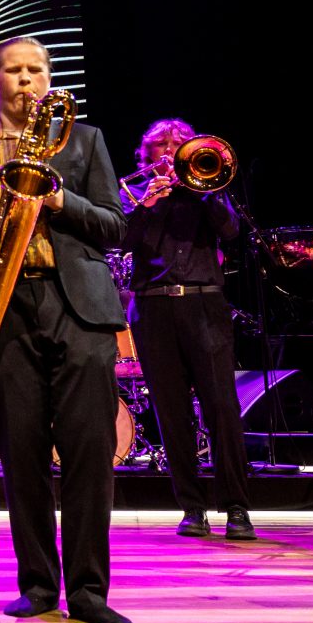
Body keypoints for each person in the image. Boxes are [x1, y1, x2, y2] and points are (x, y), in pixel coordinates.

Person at [0, 37, 133, 623]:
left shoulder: (85, 140)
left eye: (36, 70)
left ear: (49, 78)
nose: (25, 80)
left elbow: (114, 225)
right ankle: (38, 584)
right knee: (21, 453)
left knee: (89, 452)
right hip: (3, 309)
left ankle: (88, 592)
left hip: (78, 308)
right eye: (13, 71)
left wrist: (60, 200)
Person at [119, 119, 254, 541]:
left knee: (221, 408)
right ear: (147, 156)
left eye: (178, 146)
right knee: (172, 412)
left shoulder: (208, 188)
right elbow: (121, 240)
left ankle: (237, 508)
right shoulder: (135, 194)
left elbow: (230, 231)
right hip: (153, 307)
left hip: (204, 303)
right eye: (161, 146)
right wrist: (147, 202)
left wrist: (201, 189)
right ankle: (192, 508)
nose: (169, 153)